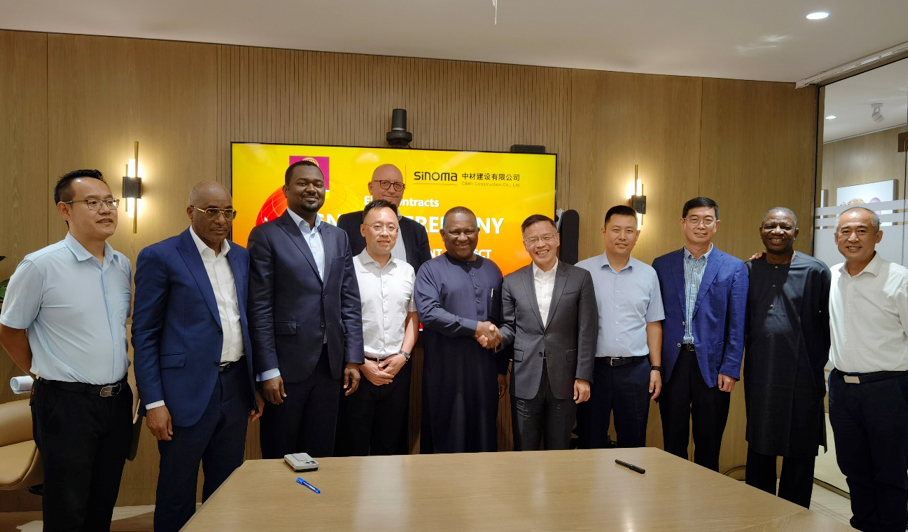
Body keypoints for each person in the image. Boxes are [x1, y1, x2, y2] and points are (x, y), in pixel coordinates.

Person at [0, 169, 134, 531]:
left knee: (102, 503)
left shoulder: (122, 265)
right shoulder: (40, 265)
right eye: (92, 202)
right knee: (67, 508)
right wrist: (42, 372)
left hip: (116, 401)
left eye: (110, 201)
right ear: (65, 210)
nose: (106, 209)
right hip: (66, 403)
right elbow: (9, 331)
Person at [132, 181, 262, 531]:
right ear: (191, 212)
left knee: (226, 488)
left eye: (228, 212)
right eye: (212, 211)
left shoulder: (240, 256)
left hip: (234, 388)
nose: (222, 220)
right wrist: (154, 402)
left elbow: (245, 321)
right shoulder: (161, 256)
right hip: (182, 394)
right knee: (177, 491)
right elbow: (144, 334)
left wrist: (253, 387)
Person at [248, 159, 364, 459]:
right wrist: (267, 370)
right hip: (285, 368)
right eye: (302, 183)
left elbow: (349, 300)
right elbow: (259, 308)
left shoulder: (338, 236)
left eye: (317, 184)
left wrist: (353, 359)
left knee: (321, 454)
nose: (311, 189)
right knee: (280, 455)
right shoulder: (266, 235)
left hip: (330, 366)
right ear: (286, 190)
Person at [336, 163, 430, 454]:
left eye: (391, 227)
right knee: (352, 447)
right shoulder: (346, 270)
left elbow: (412, 316)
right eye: (378, 226)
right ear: (363, 230)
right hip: (357, 370)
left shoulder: (407, 271)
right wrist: (359, 362)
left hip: (397, 369)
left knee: (390, 448)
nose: (385, 233)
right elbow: (338, 319)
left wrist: (404, 356)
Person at [651, 197, 747, 471]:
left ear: (716, 225)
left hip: (713, 367)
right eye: (694, 219)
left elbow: (737, 323)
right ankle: (673, 492)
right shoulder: (661, 264)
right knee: (673, 441)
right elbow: (655, 318)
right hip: (673, 364)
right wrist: (654, 367)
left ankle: (707, 496)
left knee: (709, 443)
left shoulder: (733, 267)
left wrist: (730, 368)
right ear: (683, 223)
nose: (701, 226)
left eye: (707, 220)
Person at [828, 206, 908, 532]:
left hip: (888, 389)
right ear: (836, 237)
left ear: (878, 236)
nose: (853, 237)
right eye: (846, 231)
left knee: (890, 470)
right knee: (853, 467)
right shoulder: (831, 276)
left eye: (862, 230)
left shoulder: (900, 279)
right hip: (841, 389)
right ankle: (863, 525)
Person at [743, 207, 830, 508]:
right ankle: (759, 514)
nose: (777, 232)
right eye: (771, 226)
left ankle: (796, 518)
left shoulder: (816, 271)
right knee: (760, 447)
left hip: (803, 377)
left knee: (800, 450)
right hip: (761, 375)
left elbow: (827, 326)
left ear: (796, 232)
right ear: (761, 231)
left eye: (785, 226)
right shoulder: (748, 270)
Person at [497, 214, 597, 450]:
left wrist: (583, 376)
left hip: (565, 378)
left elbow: (587, 329)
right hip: (525, 377)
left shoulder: (580, 278)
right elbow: (509, 327)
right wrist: (496, 337)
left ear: (557, 239)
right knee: (524, 448)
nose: (540, 244)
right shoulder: (511, 281)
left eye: (546, 237)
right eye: (533, 240)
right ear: (525, 244)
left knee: (559, 449)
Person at [415, 207, 508, 453]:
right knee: (446, 437)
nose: (463, 237)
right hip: (445, 373)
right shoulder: (430, 270)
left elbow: (500, 321)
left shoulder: (492, 269)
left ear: (478, 232)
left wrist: (500, 370)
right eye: (455, 232)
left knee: (483, 437)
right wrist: (475, 327)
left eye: (469, 231)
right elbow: (429, 313)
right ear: (442, 234)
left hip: (484, 374)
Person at [576, 205, 664, 449]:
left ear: (637, 235)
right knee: (590, 440)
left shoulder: (649, 274)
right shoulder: (582, 271)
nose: (622, 236)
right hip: (593, 371)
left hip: (635, 371)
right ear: (604, 232)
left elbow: (653, 323)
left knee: (633, 442)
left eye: (629, 231)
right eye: (616, 230)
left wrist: (656, 368)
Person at [337, 163, 432, 271]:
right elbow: (340, 268)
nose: (391, 190)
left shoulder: (417, 230)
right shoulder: (349, 223)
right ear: (371, 187)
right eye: (385, 183)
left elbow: (425, 273)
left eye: (397, 185)